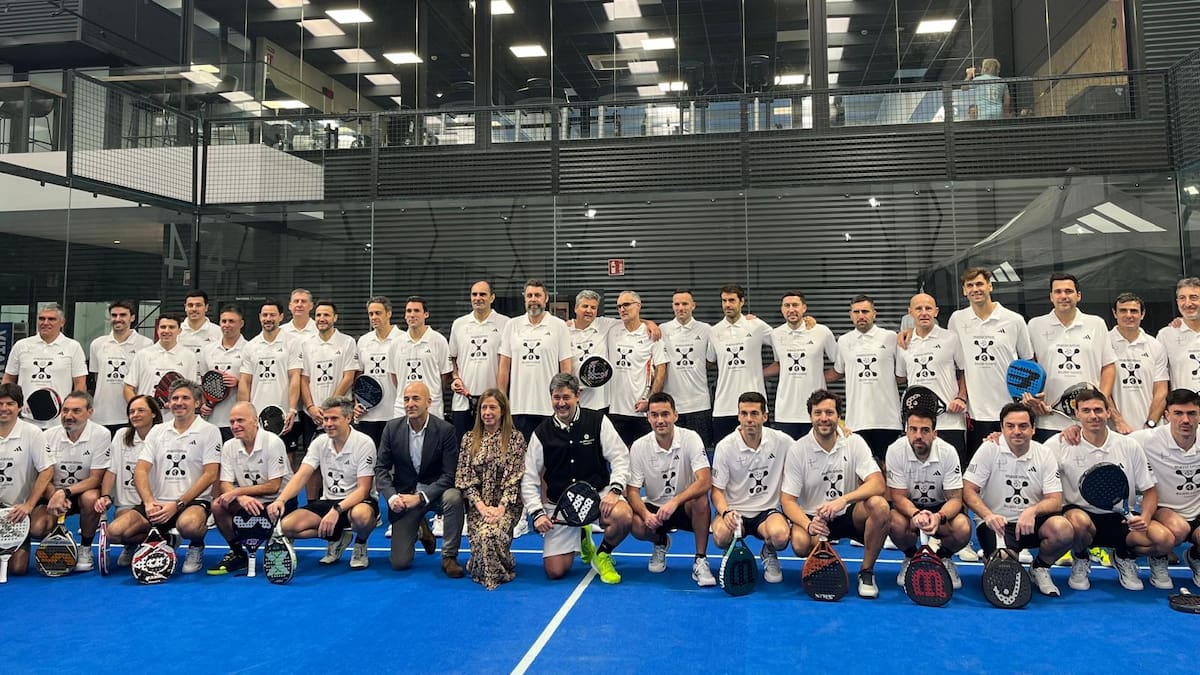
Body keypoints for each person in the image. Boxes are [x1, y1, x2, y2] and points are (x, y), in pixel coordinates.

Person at [1043, 388, 1171, 591]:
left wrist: (1145, 518)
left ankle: (1123, 556)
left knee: (1164, 540)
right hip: (1082, 518)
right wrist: (996, 438)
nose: (1093, 416)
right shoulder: (1059, 444)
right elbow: (1030, 454)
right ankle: (1081, 556)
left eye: (1098, 410)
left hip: (1121, 517)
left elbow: (1150, 490)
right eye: (1086, 411)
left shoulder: (1129, 445)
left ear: (1108, 412)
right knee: (1077, 521)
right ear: (1077, 414)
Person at [521, 373, 632, 584]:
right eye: (556, 398)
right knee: (555, 571)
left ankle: (603, 554)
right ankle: (583, 536)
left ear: (577, 395)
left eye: (566, 397)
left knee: (624, 516)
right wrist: (536, 513)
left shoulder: (598, 421)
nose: (561, 403)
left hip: (598, 496)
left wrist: (615, 490)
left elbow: (620, 456)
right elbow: (529, 478)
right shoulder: (541, 433)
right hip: (560, 505)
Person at [781, 390, 890, 598]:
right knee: (799, 543)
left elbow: (877, 483)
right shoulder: (798, 450)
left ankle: (866, 572)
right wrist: (808, 524)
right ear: (810, 416)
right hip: (815, 518)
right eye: (818, 412)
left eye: (829, 412)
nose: (824, 418)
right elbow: (787, 500)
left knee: (880, 506)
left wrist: (843, 500)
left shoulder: (854, 442)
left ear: (838, 416)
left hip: (848, 513)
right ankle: (822, 557)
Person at [107, 379, 221, 575]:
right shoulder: (157, 431)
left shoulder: (210, 431)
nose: (179, 402)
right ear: (168, 403)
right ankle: (163, 539)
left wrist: (178, 504)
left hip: (192, 502)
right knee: (115, 533)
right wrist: (150, 502)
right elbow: (141, 470)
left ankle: (196, 545)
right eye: (174, 398)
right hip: (157, 504)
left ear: (197, 403)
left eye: (185, 398)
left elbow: (210, 474)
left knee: (189, 525)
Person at [962, 402, 1073, 596]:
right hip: (997, 525)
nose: (1017, 431)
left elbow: (1055, 500)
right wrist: (988, 516)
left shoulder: (1044, 453)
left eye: (1023, 426)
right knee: (1004, 574)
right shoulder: (989, 449)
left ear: (1033, 429)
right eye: (1010, 426)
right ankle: (994, 555)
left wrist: (1032, 511)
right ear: (1002, 428)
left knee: (1063, 529)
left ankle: (1040, 567)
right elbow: (968, 490)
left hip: (1031, 523)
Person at [268, 395, 378, 570]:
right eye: (325, 419)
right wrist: (280, 500)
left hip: (358, 501)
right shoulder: (319, 442)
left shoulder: (364, 443)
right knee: (287, 527)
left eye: (334, 418)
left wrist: (337, 510)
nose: (328, 423)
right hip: (328, 500)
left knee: (362, 517)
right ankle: (336, 536)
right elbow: (301, 475)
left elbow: (364, 490)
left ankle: (360, 544)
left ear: (348, 418)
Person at [626, 392, 716, 586]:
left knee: (700, 499)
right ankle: (660, 542)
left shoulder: (691, 438)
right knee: (634, 522)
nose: (660, 420)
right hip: (655, 510)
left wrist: (675, 501)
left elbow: (705, 480)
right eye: (655, 415)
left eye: (665, 414)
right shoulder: (639, 446)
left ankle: (700, 559)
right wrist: (645, 513)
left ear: (675, 415)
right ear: (648, 417)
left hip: (684, 507)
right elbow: (632, 491)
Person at [945, 267, 1034, 460]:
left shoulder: (1014, 320)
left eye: (979, 284)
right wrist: (909, 332)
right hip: (975, 413)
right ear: (964, 291)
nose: (975, 289)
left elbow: (1028, 363)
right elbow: (951, 357)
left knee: (1012, 466)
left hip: (1010, 411)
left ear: (990, 286)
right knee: (979, 472)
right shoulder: (957, 320)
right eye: (970, 285)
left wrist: (1024, 400)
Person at [376, 382, 464, 577]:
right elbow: (381, 469)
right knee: (400, 563)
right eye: (406, 399)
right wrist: (391, 498)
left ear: (428, 403)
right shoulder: (391, 429)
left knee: (454, 497)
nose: (410, 404)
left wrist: (421, 497)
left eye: (416, 398)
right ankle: (421, 528)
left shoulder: (445, 430)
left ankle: (449, 556)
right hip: (405, 497)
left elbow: (450, 475)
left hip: (436, 493)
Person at [885, 409, 972, 589]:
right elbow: (898, 497)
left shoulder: (948, 452)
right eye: (913, 429)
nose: (918, 435)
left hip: (941, 507)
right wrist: (916, 514)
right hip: (910, 507)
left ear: (934, 433)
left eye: (925, 430)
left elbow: (955, 499)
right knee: (893, 522)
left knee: (963, 527)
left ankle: (943, 557)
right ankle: (910, 556)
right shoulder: (895, 450)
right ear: (906, 430)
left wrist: (938, 517)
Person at [711, 391, 791, 584]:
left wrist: (841, 431)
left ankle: (768, 551)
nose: (749, 419)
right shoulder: (725, 446)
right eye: (744, 413)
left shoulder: (781, 441)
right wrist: (725, 512)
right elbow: (717, 491)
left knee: (780, 537)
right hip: (735, 513)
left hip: (767, 512)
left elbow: (808, 445)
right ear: (738, 416)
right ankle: (730, 550)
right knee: (720, 535)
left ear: (765, 416)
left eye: (754, 413)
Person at [1025, 273, 1117, 440]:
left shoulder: (1096, 323)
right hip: (1048, 421)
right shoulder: (1035, 325)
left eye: (1068, 291)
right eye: (1058, 292)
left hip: (1088, 421)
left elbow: (1108, 366)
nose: (1063, 296)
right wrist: (1035, 400)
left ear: (1078, 295)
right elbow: (1030, 367)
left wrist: (1100, 401)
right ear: (1051, 297)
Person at [207, 401, 294, 575]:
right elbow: (225, 482)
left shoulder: (273, 442)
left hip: (278, 501)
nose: (235, 426)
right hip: (248, 500)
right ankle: (238, 553)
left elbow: (273, 485)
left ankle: (280, 540)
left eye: (240, 420)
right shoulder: (229, 446)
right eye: (232, 422)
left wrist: (238, 492)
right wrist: (240, 498)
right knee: (218, 505)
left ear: (255, 421)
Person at [454, 388, 526, 589]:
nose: (487, 412)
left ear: (502, 411)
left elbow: (515, 478)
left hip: (507, 507)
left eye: (492, 407)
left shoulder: (515, 439)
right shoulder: (469, 439)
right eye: (483, 407)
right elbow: (465, 478)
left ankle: (495, 570)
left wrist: (500, 508)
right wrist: (481, 507)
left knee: (489, 536)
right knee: (484, 537)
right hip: (479, 508)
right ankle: (497, 562)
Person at [1132, 388, 1200, 587]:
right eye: (1178, 413)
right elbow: (1110, 440)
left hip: (1196, 513)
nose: (1185, 420)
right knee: (1177, 530)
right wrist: (1074, 429)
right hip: (1162, 511)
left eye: (1191, 413)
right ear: (1167, 415)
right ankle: (1154, 558)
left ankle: (1195, 556)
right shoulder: (1147, 439)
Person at [38, 391, 111, 572]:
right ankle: (61, 537)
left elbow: (96, 478)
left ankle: (85, 547)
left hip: (81, 493)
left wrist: (65, 492)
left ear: (90, 412)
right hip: (54, 493)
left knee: (91, 499)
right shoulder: (48, 436)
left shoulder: (102, 434)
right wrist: (55, 494)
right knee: (37, 529)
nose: (69, 416)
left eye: (76, 411)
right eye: (65, 410)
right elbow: (43, 475)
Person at [830, 295, 904, 461]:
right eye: (856, 312)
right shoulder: (843, 341)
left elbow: (901, 375)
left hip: (888, 420)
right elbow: (838, 371)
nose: (861, 315)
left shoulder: (891, 337)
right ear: (850, 315)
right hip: (856, 421)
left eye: (865, 311)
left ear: (874, 314)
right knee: (861, 474)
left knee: (889, 472)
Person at [499, 279, 573, 441]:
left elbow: (566, 368)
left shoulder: (559, 326)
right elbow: (504, 367)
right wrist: (501, 400)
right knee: (521, 460)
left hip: (549, 408)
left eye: (537, 295)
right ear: (524, 299)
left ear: (545, 298)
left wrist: (564, 400)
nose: (533, 299)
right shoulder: (512, 325)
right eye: (529, 295)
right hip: (519, 407)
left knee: (551, 460)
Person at [94, 394, 162, 568]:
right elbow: (112, 470)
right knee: (115, 533)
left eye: (141, 410)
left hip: (156, 504)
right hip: (126, 504)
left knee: (130, 529)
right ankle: (139, 543)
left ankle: (161, 538)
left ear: (154, 413)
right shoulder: (121, 435)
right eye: (131, 411)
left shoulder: (164, 436)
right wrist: (106, 496)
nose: (135, 415)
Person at [898, 293, 968, 458]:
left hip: (950, 423)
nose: (924, 313)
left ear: (936, 312)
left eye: (928, 308)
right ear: (910, 312)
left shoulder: (951, 338)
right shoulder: (903, 343)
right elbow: (900, 377)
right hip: (918, 425)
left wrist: (961, 397)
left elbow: (965, 370)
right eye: (919, 309)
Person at [706, 285, 774, 443]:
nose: (727, 305)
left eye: (732, 300)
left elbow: (785, 341)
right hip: (724, 407)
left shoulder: (757, 326)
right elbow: (709, 361)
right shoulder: (714, 331)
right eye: (724, 301)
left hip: (755, 406)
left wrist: (806, 321)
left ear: (742, 302)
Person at [2, 303, 87, 429]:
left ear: (62, 322)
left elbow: (80, 384)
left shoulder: (73, 347)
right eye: (42, 318)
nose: (45, 322)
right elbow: (8, 380)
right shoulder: (21, 345)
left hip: (59, 422)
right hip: (25, 420)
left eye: (51, 319)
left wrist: (74, 413)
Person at [0, 383, 54, 577]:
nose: (4, 408)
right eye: (0, 403)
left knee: (17, 569)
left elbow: (47, 470)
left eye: (10, 404)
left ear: (20, 407)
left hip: (18, 512)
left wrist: (29, 505)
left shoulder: (32, 433)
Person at [238, 300, 302, 461]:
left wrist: (292, 410)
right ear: (260, 317)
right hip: (257, 417)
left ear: (281, 317)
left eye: (272, 315)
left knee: (287, 462)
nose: (268, 318)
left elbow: (295, 377)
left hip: (285, 416)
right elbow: (245, 382)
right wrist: (244, 413)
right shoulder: (250, 346)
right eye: (265, 315)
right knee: (259, 461)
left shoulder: (292, 343)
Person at [770, 291, 837, 441]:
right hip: (785, 412)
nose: (791, 309)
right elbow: (780, 364)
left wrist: (820, 378)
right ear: (782, 309)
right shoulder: (775, 334)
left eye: (795, 305)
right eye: (787, 306)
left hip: (816, 411)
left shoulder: (822, 332)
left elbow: (840, 364)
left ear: (804, 308)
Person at [606, 291, 667, 447]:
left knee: (646, 461)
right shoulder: (612, 329)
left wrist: (650, 400)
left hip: (641, 411)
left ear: (638, 306)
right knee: (620, 461)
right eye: (619, 306)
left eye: (626, 305)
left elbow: (661, 370)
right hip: (615, 411)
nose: (622, 309)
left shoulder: (652, 334)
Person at [449, 281, 509, 438]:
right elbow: (453, 358)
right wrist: (455, 377)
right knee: (464, 451)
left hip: (493, 403)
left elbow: (508, 362)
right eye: (474, 294)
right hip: (463, 402)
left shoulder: (506, 323)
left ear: (492, 297)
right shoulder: (459, 324)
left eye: (482, 294)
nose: (478, 298)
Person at [298, 300, 359, 451]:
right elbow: (303, 380)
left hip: (339, 411)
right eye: (318, 315)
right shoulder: (306, 345)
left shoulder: (347, 342)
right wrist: (311, 407)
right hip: (312, 415)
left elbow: (349, 377)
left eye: (326, 315)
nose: (322, 318)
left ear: (335, 318)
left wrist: (329, 406)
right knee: (312, 461)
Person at [88, 300, 152, 435]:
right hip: (101, 415)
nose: (118, 319)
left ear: (132, 317)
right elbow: (96, 377)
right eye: (114, 315)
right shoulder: (97, 344)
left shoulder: (146, 344)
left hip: (131, 415)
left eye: (123, 315)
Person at [661, 289, 714, 448]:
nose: (680, 307)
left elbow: (711, 360)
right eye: (677, 304)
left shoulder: (706, 329)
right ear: (672, 306)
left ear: (693, 306)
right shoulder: (662, 330)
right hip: (672, 405)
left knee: (700, 452)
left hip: (699, 404)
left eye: (685, 303)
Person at [1109, 292, 1168, 432]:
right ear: (1114, 313)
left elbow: (1161, 391)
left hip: (1150, 431)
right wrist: (1118, 422)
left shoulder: (1155, 345)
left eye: (1134, 311)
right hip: (1113, 430)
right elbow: (1101, 390)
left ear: (1142, 314)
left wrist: (1151, 423)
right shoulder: (1103, 343)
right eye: (1123, 310)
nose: (1129, 315)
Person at [390, 296, 451, 420]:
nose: (412, 315)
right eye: (409, 311)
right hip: (402, 408)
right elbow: (394, 376)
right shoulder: (396, 343)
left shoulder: (439, 340)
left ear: (426, 314)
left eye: (416, 311)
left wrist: (431, 393)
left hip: (432, 406)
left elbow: (444, 375)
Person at [355, 295, 403, 447]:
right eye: (371, 314)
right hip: (368, 416)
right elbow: (359, 377)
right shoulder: (363, 341)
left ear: (389, 314)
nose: (374, 317)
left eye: (378, 313)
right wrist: (358, 403)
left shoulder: (403, 339)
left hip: (394, 413)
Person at [123, 313, 200, 400]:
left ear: (179, 331)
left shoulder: (189, 356)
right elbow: (128, 387)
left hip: (177, 413)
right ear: (157, 330)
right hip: (148, 413)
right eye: (163, 327)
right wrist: (138, 407)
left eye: (171, 327)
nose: (166, 331)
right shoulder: (142, 355)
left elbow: (191, 391)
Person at [198, 305, 247, 442]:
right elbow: (202, 382)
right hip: (211, 421)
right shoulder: (208, 350)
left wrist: (238, 382)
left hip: (236, 421)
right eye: (224, 321)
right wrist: (204, 404)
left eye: (231, 321)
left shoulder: (249, 348)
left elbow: (252, 383)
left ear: (241, 323)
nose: (227, 325)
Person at [570, 289, 616, 413]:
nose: (589, 310)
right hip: (575, 401)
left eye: (593, 307)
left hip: (601, 403)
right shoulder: (564, 330)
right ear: (576, 308)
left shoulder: (605, 325)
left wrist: (649, 324)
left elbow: (629, 321)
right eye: (585, 306)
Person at [1156, 277, 1200, 392]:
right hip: (1182, 407)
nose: (1188, 303)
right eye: (1182, 298)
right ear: (1177, 302)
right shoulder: (1166, 335)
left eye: (1193, 297)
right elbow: (1159, 380)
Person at [178, 290, 222, 357]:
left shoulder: (218, 332)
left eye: (198, 305)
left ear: (206, 307)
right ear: (185, 307)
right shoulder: (175, 331)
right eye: (190, 305)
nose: (194, 309)